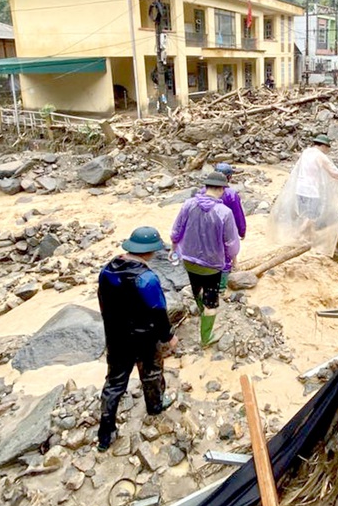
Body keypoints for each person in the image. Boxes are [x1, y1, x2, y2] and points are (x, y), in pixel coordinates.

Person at [96, 227, 178, 453]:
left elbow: (103, 302)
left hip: (116, 337)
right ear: (149, 251)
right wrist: (168, 336)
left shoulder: (107, 271)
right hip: (144, 337)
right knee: (151, 372)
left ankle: (106, 432)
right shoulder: (147, 278)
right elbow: (158, 310)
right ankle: (155, 406)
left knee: (114, 382)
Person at [171, 172, 241, 346]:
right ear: (222, 189)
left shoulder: (188, 204)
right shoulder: (224, 212)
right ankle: (206, 338)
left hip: (188, 258)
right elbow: (231, 241)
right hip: (212, 263)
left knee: (196, 288)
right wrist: (233, 258)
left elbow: (176, 229)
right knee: (212, 300)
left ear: (206, 186)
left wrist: (174, 247)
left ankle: (200, 308)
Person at [210, 162, 247, 292]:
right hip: (225, 231)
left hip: (206, 231)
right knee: (225, 257)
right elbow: (238, 215)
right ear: (229, 177)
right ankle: (221, 286)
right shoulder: (230, 194)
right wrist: (242, 231)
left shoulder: (203, 191)